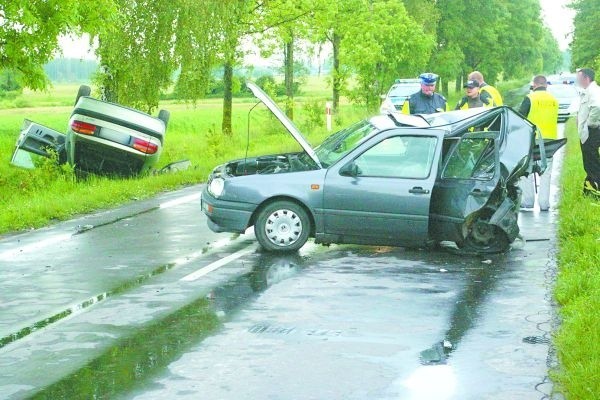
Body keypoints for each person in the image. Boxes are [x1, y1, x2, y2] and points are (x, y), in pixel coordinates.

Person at [518, 75, 559, 211]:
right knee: (546, 173)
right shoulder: (554, 100)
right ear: (546, 85)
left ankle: (528, 201)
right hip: (550, 142)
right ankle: (544, 204)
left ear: (534, 85)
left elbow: (520, 118)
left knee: (527, 170)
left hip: (531, 141)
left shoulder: (530, 98)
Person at [576, 68, 600, 199]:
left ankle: (595, 192)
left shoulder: (593, 91)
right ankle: (588, 192)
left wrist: (590, 123)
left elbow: (597, 107)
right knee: (590, 163)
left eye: (579, 78)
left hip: (591, 132)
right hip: (587, 133)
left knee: (592, 163)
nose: (578, 81)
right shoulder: (589, 91)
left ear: (586, 78)